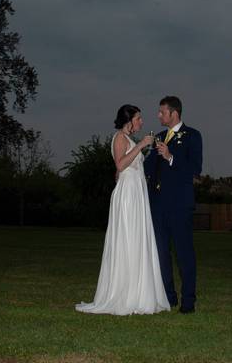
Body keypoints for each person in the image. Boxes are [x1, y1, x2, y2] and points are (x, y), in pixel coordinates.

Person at [76, 104, 170, 315]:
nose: (141, 122)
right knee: (128, 239)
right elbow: (120, 165)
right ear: (129, 120)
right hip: (128, 196)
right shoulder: (120, 137)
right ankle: (124, 293)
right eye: (139, 118)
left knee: (138, 240)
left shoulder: (129, 139)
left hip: (137, 193)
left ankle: (138, 292)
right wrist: (142, 146)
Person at [144, 95, 203, 313]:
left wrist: (170, 157)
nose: (158, 115)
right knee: (161, 254)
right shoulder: (158, 136)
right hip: (158, 207)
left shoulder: (193, 136)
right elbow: (148, 169)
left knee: (184, 254)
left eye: (162, 112)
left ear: (174, 113)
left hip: (180, 206)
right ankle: (169, 298)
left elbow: (195, 169)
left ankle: (188, 301)